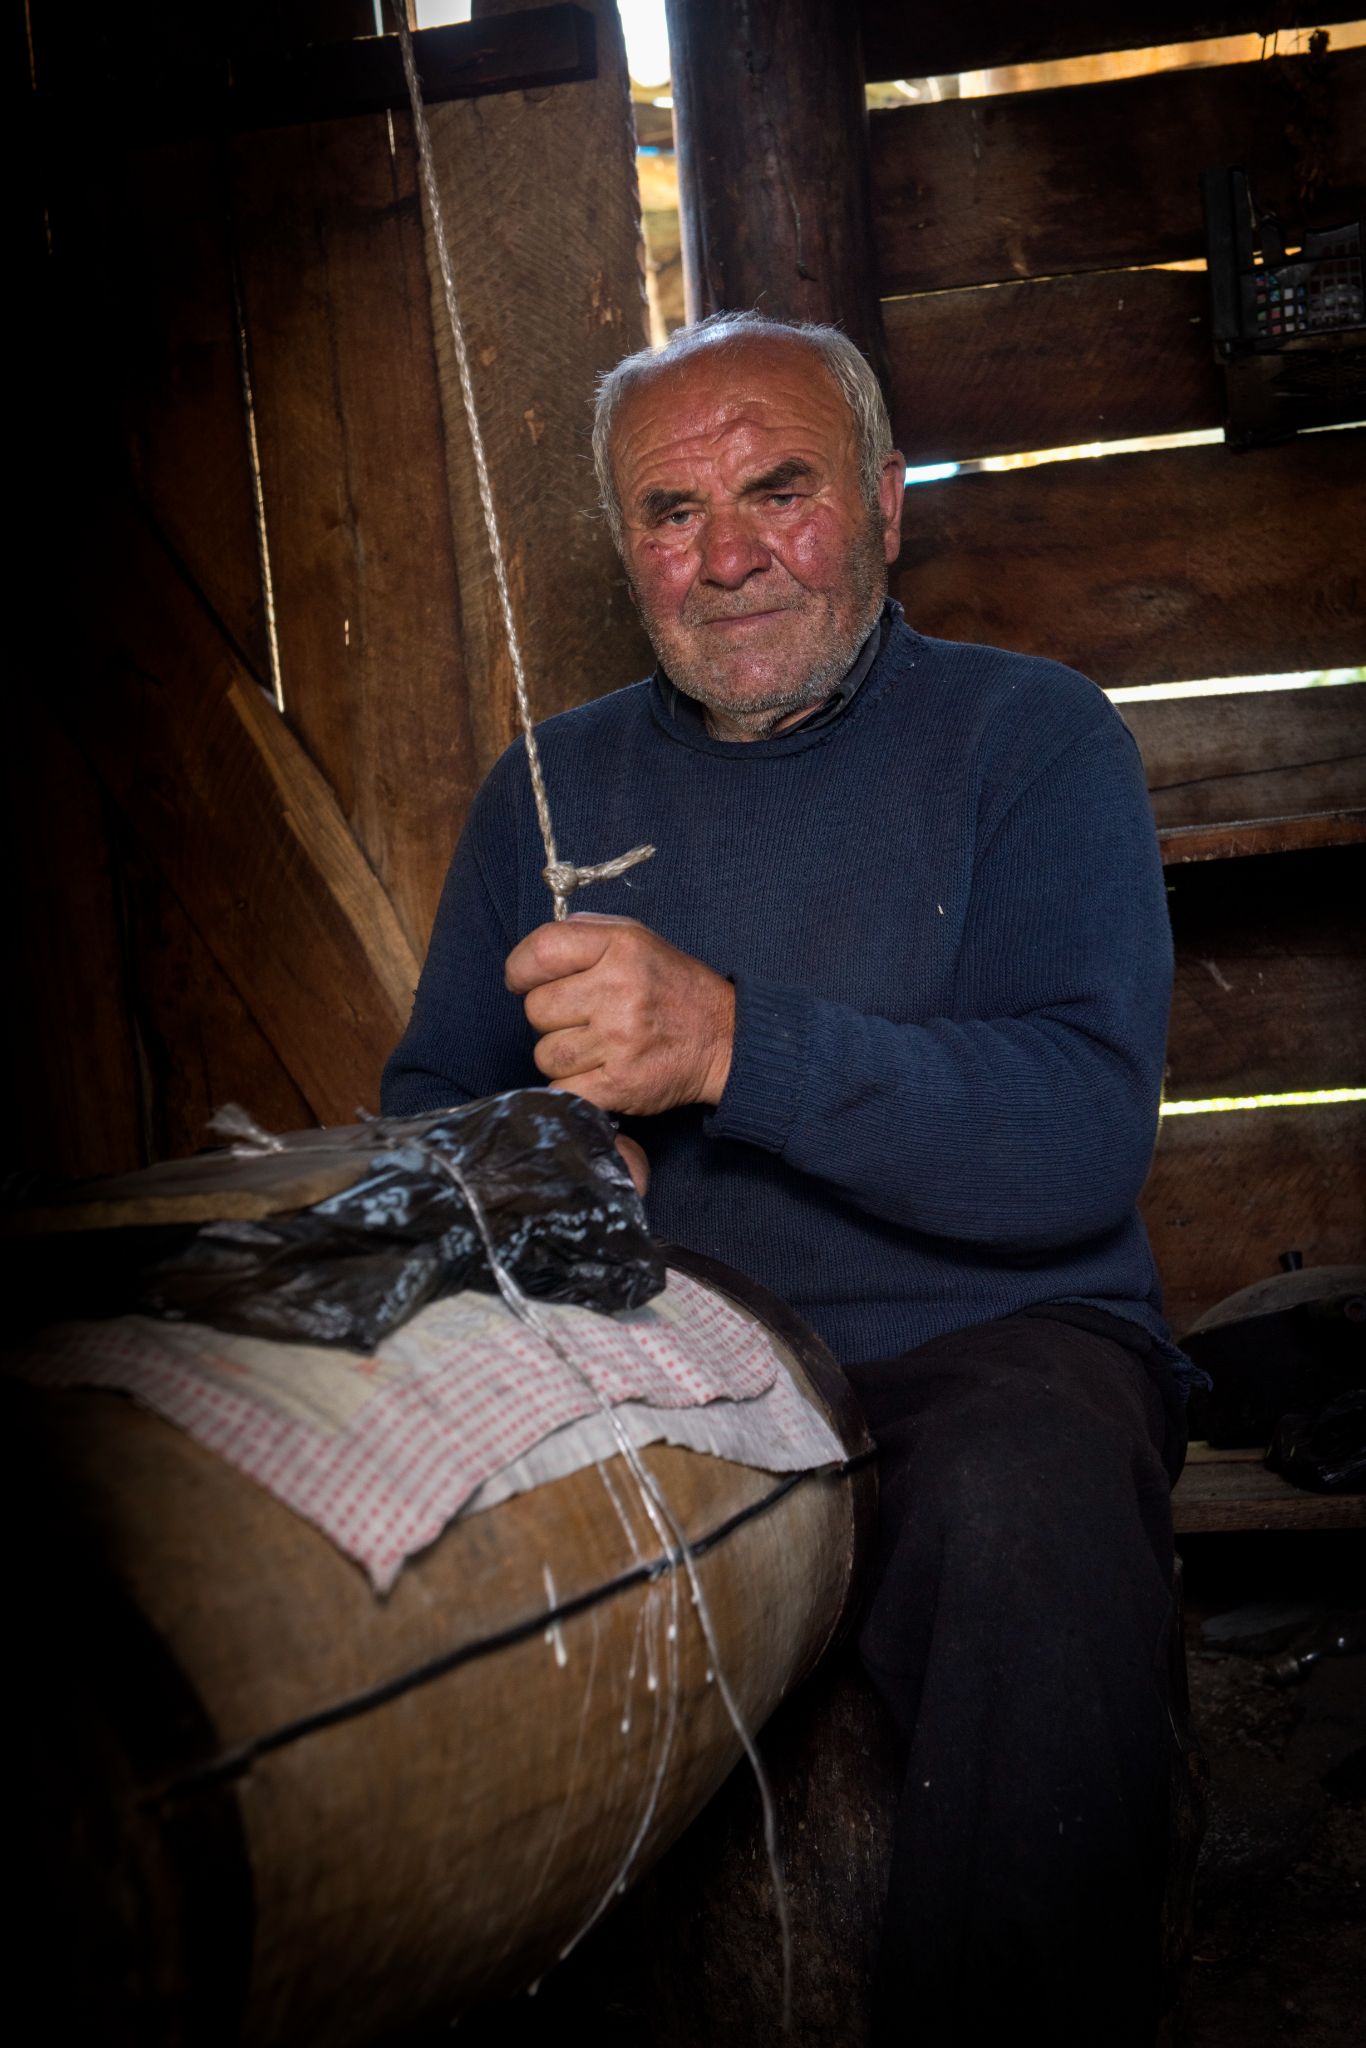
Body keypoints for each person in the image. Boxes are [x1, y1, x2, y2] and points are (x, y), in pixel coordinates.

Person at [382, 312, 1193, 2044]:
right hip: (653, 1374)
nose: (727, 553)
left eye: (779, 489)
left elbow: (1074, 1137)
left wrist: (730, 1048)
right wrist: (536, 1154)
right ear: (626, 552)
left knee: (1024, 1509)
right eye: (672, 512)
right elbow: (426, 1109)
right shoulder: (545, 784)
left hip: (982, 1351)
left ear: (889, 506)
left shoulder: (1032, 739)